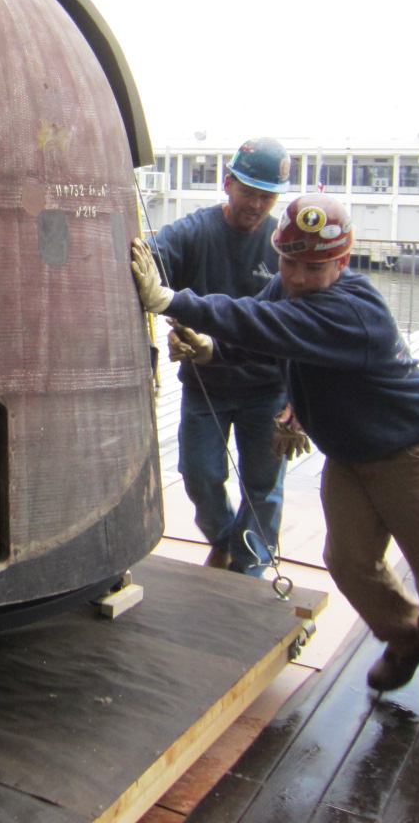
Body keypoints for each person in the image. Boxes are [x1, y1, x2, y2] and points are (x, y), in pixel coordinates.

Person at [130, 194, 419, 724]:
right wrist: (214, 350)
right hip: (350, 454)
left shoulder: (357, 313)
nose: (295, 275)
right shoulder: (292, 286)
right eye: (288, 261)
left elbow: (270, 325)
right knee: (348, 561)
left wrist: (172, 301)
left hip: (414, 452)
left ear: (344, 260)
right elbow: (266, 330)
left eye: (312, 266)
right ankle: (406, 638)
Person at [148, 137, 292, 576]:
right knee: (199, 473)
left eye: (267, 196)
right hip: (205, 387)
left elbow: (301, 328)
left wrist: (297, 401)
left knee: (263, 486)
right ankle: (225, 539)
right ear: (227, 183)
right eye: (248, 191)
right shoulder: (196, 232)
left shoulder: (284, 247)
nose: (255, 204)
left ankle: (249, 568)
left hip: (267, 389)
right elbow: (149, 260)